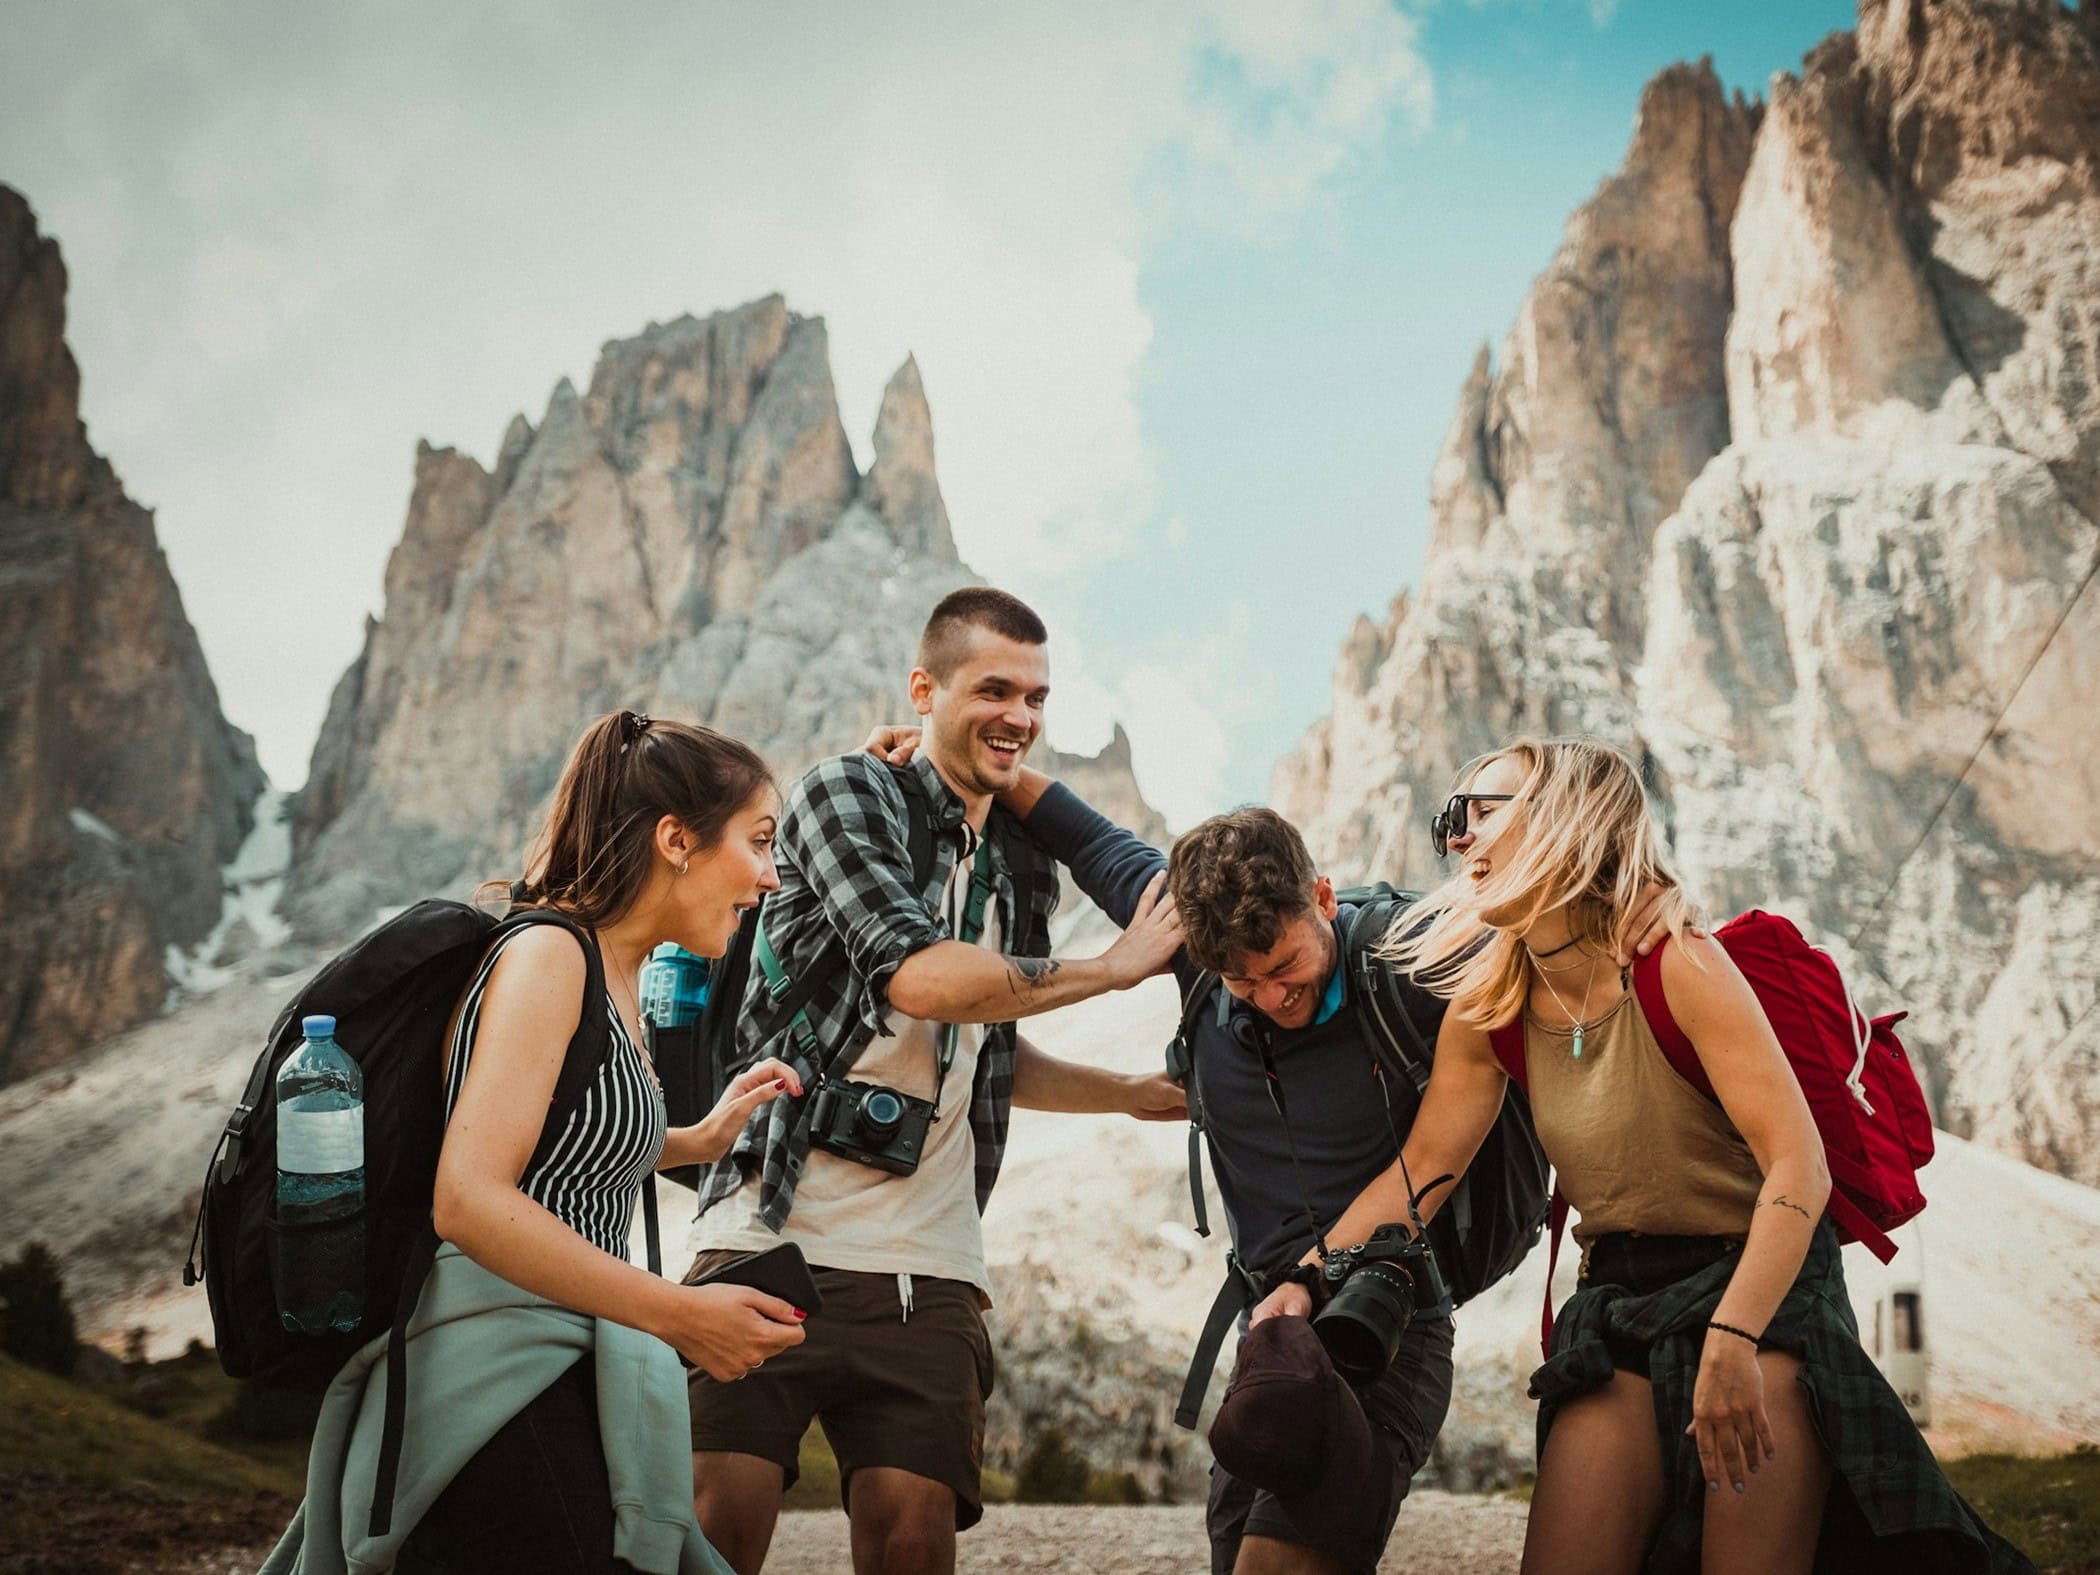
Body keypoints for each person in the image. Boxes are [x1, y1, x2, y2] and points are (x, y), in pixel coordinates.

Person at [847, 736, 1667, 1575]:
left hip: (1384, 1318)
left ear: (1321, 896)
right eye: (1242, 985)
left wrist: (1652, 906)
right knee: (1239, 1555)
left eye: (1286, 967)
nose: (1274, 1000)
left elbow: (1558, 919)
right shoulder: (1191, 941)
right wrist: (956, 750)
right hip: (1271, 1333)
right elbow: (1082, 834)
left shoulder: (1418, 954)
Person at [1287, 736, 2033, 1574]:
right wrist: (1304, 1276)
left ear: (1566, 816)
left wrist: (1736, 1334)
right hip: (1619, 1299)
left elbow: (1801, 1169)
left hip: (1762, 1288)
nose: (1455, 839)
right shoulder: (1489, 1005)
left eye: (1477, 813)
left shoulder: (1678, 964)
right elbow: (1421, 1172)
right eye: (1447, 821)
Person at [684, 588, 1187, 1575]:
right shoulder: (843, 795)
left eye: (1038, 697)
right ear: (925, 688)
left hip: (932, 1261)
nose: (1021, 715)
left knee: (914, 1541)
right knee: (714, 1529)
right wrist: (1111, 970)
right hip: (769, 1227)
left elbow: (989, 1043)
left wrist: (1127, 1093)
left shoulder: (1021, 864)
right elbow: (917, 976)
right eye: (994, 689)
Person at [384, 710, 813, 1574]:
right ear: (675, 839)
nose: (770, 877)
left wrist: (695, 1136)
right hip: (495, 1374)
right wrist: (684, 1315)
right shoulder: (550, 955)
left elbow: (558, 1138)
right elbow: (467, 1196)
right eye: (759, 842)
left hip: (566, 1354)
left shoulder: (617, 971)